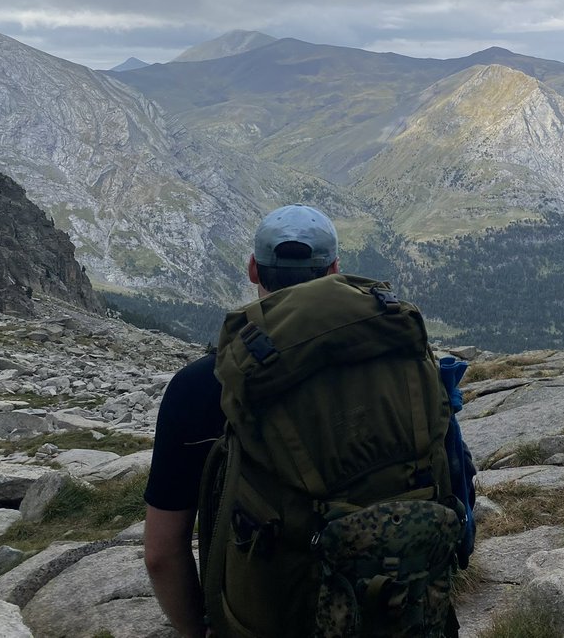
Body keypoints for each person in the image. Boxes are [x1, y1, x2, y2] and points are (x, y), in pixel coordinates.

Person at [143, 204, 471, 638]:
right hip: (402, 612)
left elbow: (162, 553)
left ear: (253, 270)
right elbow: (456, 497)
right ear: (335, 269)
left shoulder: (205, 385)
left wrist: (195, 630)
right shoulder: (407, 363)